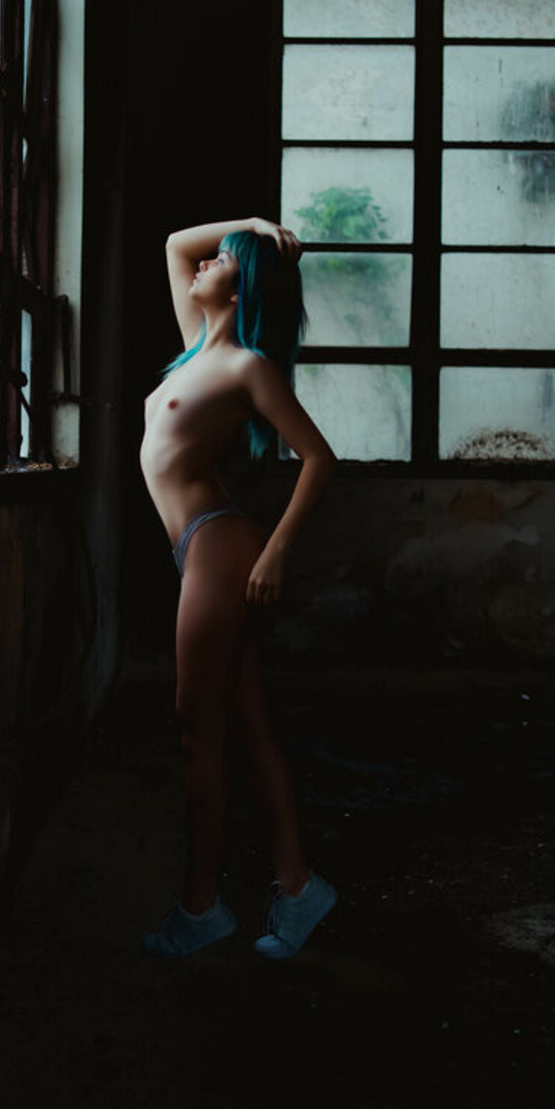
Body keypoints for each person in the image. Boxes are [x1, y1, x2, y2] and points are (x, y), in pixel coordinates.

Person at [139, 215, 339, 959]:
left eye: (223, 260)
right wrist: (251, 224)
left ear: (241, 285)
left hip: (221, 550)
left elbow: (320, 458)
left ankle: (201, 907)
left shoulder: (248, 368)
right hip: (199, 549)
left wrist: (275, 554)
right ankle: (299, 889)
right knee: (249, 724)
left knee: (201, 731)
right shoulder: (198, 344)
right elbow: (174, 244)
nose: (205, 263)